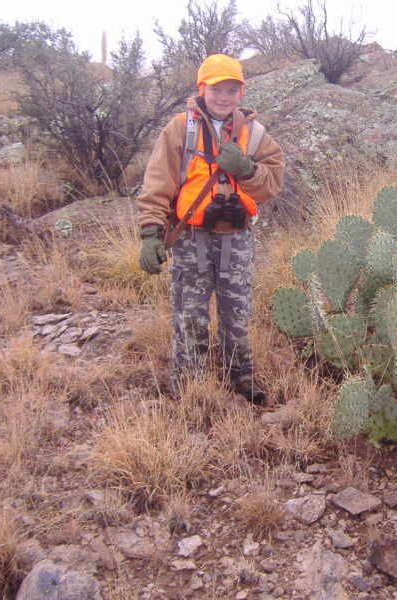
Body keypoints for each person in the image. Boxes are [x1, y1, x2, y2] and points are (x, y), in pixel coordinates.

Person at [136, 54, 285, 404]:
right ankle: (190, 385)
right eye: (217, 88)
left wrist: (247, 170)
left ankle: (242, 380)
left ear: (241, 93)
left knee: (237, 313)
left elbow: (272, 185)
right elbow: (158, 184)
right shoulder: (179, 129)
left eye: (232, 89)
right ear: (202, 89)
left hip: (237, 237)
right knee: (191, 313)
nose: (224, 97)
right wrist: (151, 233)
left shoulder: (257, 135)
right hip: (191, 238)